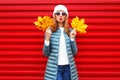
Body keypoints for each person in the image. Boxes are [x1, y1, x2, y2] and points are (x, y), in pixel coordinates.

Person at [43, 4, 79, 80]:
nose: (60, 16)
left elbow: (75, 52)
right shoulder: (49, 31)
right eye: (58, 13)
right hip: (54, 68)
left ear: (66, 16)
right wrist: (47, 39)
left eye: (63, 13)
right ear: (54, 15)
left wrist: (72, 39)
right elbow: (46, 54)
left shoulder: (70, 31)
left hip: (68, 67)